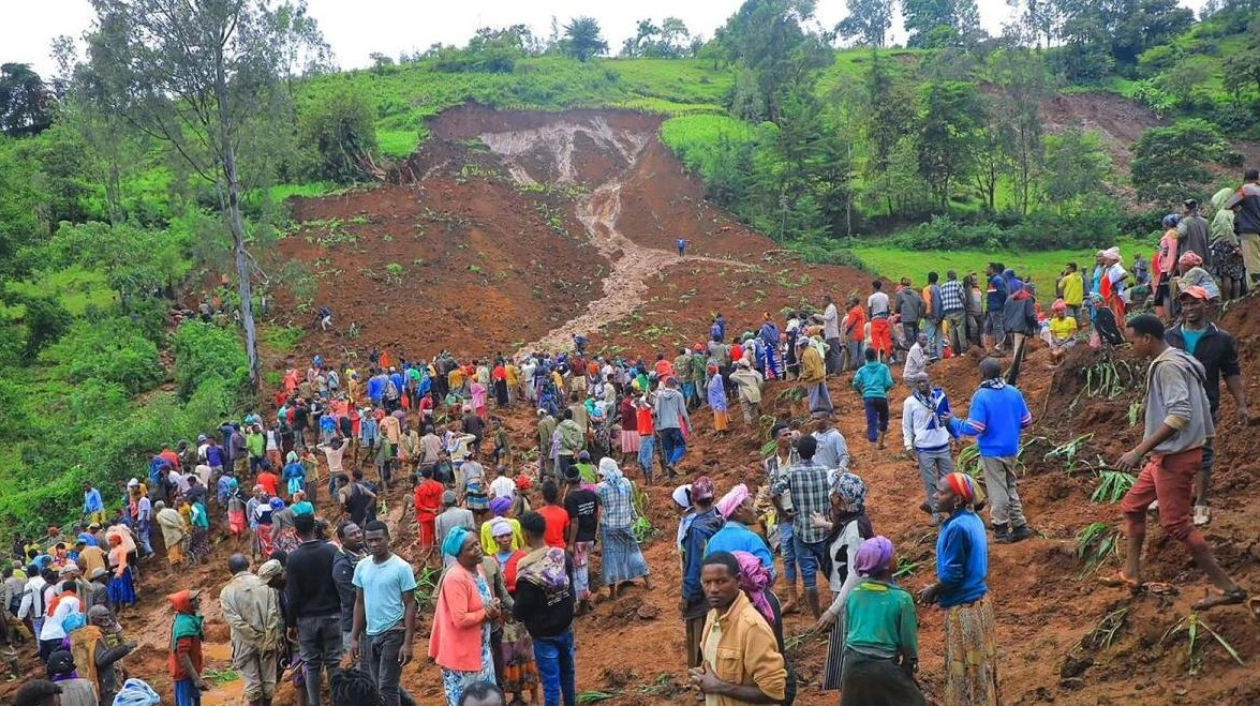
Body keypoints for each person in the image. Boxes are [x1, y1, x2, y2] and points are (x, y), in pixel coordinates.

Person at [1106, 315, 1248, 611]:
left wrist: (1138, 450)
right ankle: (1130, 573)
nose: (1130, 345)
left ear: (1147, 339)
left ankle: (1229, 588)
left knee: (1176, 525)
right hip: (1167, 455)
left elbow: (1179, 414)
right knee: (1133, 507)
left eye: (1133, 339)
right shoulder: (1177, 358)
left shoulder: (1169, 367)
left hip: (1176, 456)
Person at [1165, 286, 1249, 527]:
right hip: (1173, 404)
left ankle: (1201, 502)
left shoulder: (1220, 338)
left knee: (1203, 453)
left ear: (1207, 305)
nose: (1189, 308)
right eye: (1186, 304)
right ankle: (1173, 498)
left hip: (1206, 404)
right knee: (1171, 450)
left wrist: (1241, 404)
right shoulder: (1170, 336)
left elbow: (1231, 372)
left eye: (1195, 303)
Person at [919, 474, 999, 706]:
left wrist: (933, 590)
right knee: (981, 666)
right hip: (980, 603)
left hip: (964, 609)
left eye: (941, 492)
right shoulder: (972, 519)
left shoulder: (956, 528)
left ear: (956, 501)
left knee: (966, 670)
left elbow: (952, 575)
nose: (935, 495)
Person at [947, 357, 1035, 543]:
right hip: (1011, 447)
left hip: (992, 450)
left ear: (982, 374)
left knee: (997, 489)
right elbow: (1026, 421)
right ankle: (1019, 525)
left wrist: (953, 421)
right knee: (1010, 485)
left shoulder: (982, 396)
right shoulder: (1014, 392)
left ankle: (1001, 528)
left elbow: (974, 427)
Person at [688, 552, 787, 707]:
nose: (713, 589)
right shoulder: (712, 617)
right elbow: (713, 667)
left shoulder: (752, 628)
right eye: (707, 582)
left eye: (721, 581)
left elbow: (774, 693)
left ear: (738, 580)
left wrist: (717, 686)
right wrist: (702, 679)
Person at [835, 537, 925, 707]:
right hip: (883, 668)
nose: (897, 556)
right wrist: (909, 666)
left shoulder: (854, 594)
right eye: (893, 554)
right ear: (886, 564)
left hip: (853, 667)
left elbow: (847, 633)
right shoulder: (902, 599)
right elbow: (908, 643)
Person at [815, 473, 875, 692]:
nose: (832, 498)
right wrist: (824, 524)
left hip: (848, 599)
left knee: (846, 658)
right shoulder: (853, 521)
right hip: (846, 597)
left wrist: (833, 610)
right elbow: (843, 533)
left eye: (836, 495)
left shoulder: (855, 530)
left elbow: (856, 573)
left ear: (842, 499)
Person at [350, 521, 418, 707]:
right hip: (371, 634)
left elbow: (410, 604)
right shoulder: (362, 567)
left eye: (378, 539)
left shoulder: (401, 568)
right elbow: (359, 602)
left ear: (388, 538)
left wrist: (407, 642)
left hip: (394, 631)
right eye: (369, 540)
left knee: (387, 686)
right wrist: (355, 637)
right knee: (377, 683)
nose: (374, 544)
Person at [430, 526, 499, 707]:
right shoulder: (456, 578)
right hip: (462, 656)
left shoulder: (478, 570)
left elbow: (484, 602)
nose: (477, 549)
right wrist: (487, 612)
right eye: (470, 548)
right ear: (458, 555)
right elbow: (460, 619)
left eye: (477, 544)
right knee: (467, 701)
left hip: (480, 650)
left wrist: (493, 608)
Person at [514, 512, 577, 707]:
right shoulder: (561, 556)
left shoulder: (526, 570)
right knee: (568, 674)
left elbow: (520, 610)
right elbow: (571, 588)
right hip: (565, 626)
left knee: (551, 684)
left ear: (526, 535)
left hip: (543, 634)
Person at [285, 513, 343, 706]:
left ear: (296, 532)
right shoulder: (331, 551)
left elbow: (293, 595)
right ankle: (337, 701)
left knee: (312, 665)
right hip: (333, 615)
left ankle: (315, 704)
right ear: (315, 527)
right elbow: (339, 582)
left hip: (307, 619)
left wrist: (291, 623)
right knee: (334, 662)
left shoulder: (293, 558)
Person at [772, 435, 832, 619]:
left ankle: (817, 618)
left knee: (808, 578)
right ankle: (839, 607)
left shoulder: (792, 472)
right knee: (830, 570)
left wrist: (783, 513)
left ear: (799, 452)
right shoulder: (825, 470)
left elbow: (774, 492)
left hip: (801, 529)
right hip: (823, 528)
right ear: (815, 452)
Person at [219, 554, 282, 707]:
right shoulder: (266, 584)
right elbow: (274, 614)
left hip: (244, 643)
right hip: (268, 640)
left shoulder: (227, 592)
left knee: (252, 685)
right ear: (248, 565)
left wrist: (254, 637)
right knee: (268, 682)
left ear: (230, 571)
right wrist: (266, 639)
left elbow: (236, 622)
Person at [679, 476, 723, 667]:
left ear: (694, 501)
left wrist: (687, 595)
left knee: (699, 637)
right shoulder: (720, 518)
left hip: (702, 591)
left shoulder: (696, 529)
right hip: (722, 583)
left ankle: (700, 681)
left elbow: (694, 565)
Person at [902, 372, 954, 526]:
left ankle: (952, 511)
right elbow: (907, 426)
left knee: (949, 482)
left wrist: (954, 435)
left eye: (924, 381)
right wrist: (908, 445)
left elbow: (948, 415)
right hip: (924, 449)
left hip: (943, 445)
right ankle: (937, 514)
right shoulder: (910, 402)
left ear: (929, 380)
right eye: (918, 382)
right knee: (931, 483)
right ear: (915, 385)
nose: (922, 384)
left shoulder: (940, 397)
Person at [596, 458, 652, 599]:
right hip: (625, 524)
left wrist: (596, 531)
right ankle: (648, 582)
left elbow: (600, 509)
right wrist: (634, 518)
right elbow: (630, 503)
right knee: (634, 552)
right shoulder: (626, 483)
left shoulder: (600, 488)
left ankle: (613, 593)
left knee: (611, 559)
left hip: (609, 527)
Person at [71, 604, 135, 707]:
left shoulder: (92, 632)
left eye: (107, 615)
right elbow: (101, 660)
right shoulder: (94, 634)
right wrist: (125, 649)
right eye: (102, 616)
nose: (106, 619)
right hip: (104, 683)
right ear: (93, 618)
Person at [706, 484, 774, 571]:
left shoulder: (713, 542)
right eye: (751, 505)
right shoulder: (751, 539)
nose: (755, 509)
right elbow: (769, 573)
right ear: (738, 510)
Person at [168, 590, 207, 707]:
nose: (199, 601)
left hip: (190, 671)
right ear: (187, 604)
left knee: (195, 700)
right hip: (185, 674)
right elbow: (183, 654)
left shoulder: (188, 619)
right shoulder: (184, 625)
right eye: (195, 600)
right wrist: (196, 679)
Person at [332, 522, 365, 655]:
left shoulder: (364, 552)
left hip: (370, 621)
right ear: (342, 540)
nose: (358, 536)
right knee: (359, 668)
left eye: (358, 532)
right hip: (354, 625)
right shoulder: (342, 566)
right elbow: (351, 598)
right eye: (352, 534)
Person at [852, 348, 895, 449]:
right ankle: (881, 443)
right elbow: (889, 383)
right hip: (881, 397)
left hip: (868, 398)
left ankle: (873, 452)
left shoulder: (862, 370)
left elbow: (855, 383)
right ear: (876, 356)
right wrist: (883, 390)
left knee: (872, 422)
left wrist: (862, 392)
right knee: (884, 419)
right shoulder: (883, 367)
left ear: (866, 358)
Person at [1209, 186, 1246, 300]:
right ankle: (1236, 300)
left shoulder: (1222, 213)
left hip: (1225, 245)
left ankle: (1227, 300)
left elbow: (1227, 229)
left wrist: (1234, 246)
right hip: (1237, 244)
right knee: (1236, 275)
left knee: (1226, 275)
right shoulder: (1235, 212)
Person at [655, 377, 690, 477]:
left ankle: (671, 475)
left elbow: (657, 411)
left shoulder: (660, 396)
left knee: (669, 449)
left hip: (664, 427)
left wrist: (658, 426)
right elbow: (683, 412)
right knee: (681, 446)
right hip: (674, 425)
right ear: (674, 385)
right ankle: (672, 463)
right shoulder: (678, 395)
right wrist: (689, 426)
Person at [436, 492, 476, 569]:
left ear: (444, 504)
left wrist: (442, 553)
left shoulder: (439, 519)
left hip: (450, 554)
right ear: (456, 501)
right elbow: (472, 531)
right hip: (468, 550)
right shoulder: (467, 513)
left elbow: (438, 539)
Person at [798, 336, 832, 419]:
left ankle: (814, 415)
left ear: (802, 346)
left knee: (813, 397)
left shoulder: (806, 354)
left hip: (813, 379)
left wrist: (802, 376)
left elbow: (810, 369)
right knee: (825, 396)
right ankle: (831, 411)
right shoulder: (814, 350)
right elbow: (821, 361)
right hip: (821, 376)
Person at [1047, 300, 1079, 365]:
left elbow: (1072, 333)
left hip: (1068, 339)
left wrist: (1064, 341)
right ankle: (1056, 360)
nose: (1060, 312)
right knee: (1055, 349)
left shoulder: (1071, 319)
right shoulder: (1053, 321)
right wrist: (1057, 341)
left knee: (1062, 349)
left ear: (1065, 310)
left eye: (1061, 310)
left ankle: (1055, 358)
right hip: (1057, 340)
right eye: (1057, 311)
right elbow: (1053, 333)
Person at [822, 295, 843, 375]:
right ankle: (830, 371)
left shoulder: (831, 308)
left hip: (833, 334)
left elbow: (828, 318)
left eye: (823, 301)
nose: (822, 303)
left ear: (827, 300)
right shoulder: (828, 308)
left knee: (835, 353)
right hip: (828, 334)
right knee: (828, 354)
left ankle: (837, 371)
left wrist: (818, 316)